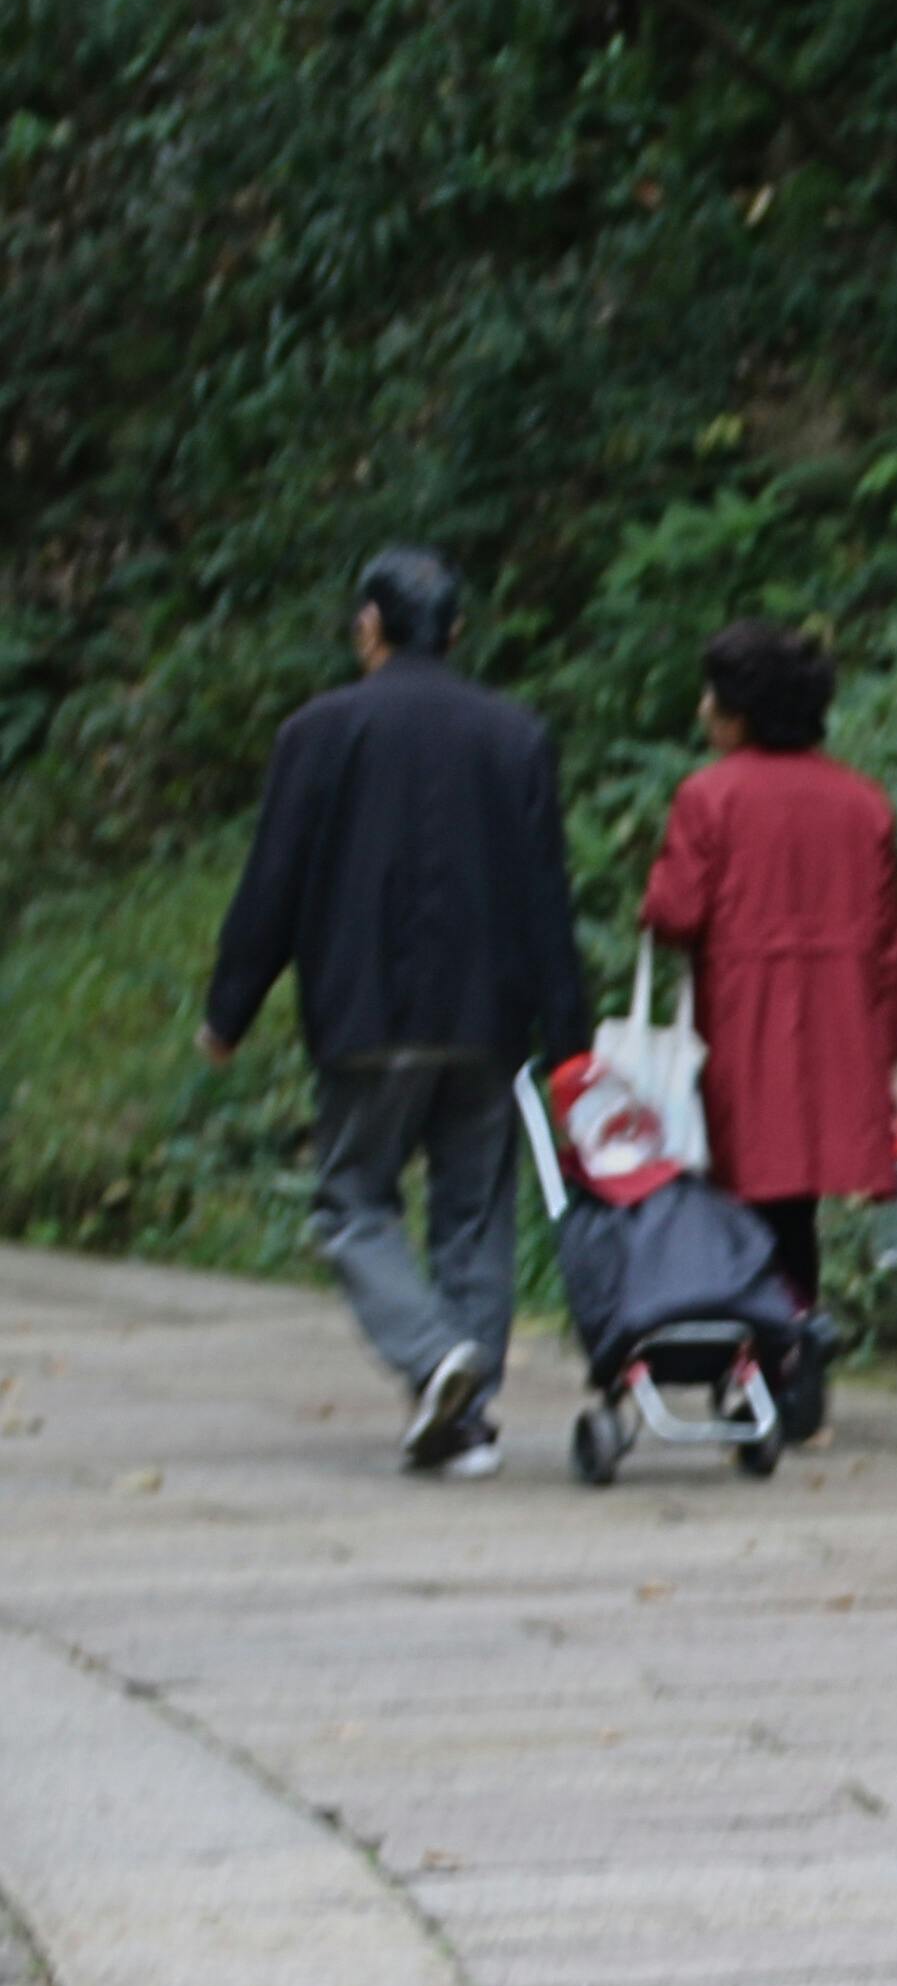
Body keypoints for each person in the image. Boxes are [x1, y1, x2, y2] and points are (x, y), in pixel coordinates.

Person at [204, 544, 590, 1477]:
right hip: (487, 1017)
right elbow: (547, 896)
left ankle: (434, 1362)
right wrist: (571, 1035)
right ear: (454, 633)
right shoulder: (514, 734)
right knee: (472, 1214)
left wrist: (230, 1008)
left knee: (351, 1204)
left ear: (368, 627)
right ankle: (462, 1415)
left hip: (363, 1011)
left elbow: (274, 884)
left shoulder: (318, 731)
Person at [639, 619, 897, 1440]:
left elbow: (675, 912)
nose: (702, 709)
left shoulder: (709, 797)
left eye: (713, 697)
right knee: (793, 1202)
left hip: (742, 1021)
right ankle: (796, 1362)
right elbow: (889, 940)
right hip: (837, 1022)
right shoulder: (862, 802)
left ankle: (762, 1360)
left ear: (740, 714)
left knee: (739, 1197)